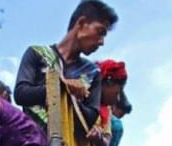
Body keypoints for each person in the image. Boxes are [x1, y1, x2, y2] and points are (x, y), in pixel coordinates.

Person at [14, 0, 117, 128]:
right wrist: (61, 87)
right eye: (100, 32)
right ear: (82, 23)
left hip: (68, 140)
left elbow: (91, 117)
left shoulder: (93, 72)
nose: (102, 42)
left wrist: (66, 97)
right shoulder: (37, 53)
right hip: (30, 137)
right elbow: (20, 94)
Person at [88, 59, 126, 146]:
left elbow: (106, 144)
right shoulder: (80, 91)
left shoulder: (106, 111)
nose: (117, 99)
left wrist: (99, 138)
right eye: (116, 93)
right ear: (108, 83)